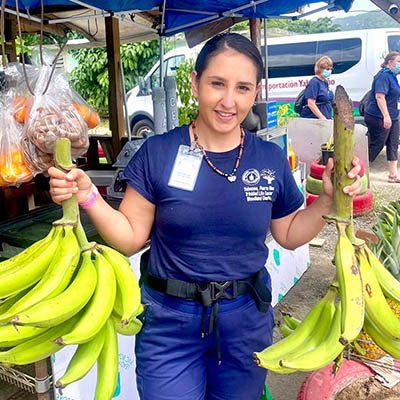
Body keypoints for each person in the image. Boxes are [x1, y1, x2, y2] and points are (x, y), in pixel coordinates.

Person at [48, 33, 362, 400]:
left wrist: (325, 203)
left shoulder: (269, 158)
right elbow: (132, 236)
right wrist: (88, 197)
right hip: (170, 321)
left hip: (244, 318)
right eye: (217, 84)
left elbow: (289, 233)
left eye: (242, 88)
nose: (229, 101)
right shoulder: (158, 152)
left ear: (255, 92)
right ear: (195, 83)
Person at [364, 52, 400, 183]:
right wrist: (386, 116)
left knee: (393, 144)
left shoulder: (393, 76)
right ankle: (358, 169)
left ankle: (393, 175)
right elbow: (380, 97)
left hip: (393, 114)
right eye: (398, 61)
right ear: (390, 62)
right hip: (378, 116)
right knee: (377, 144)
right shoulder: (383, 76)